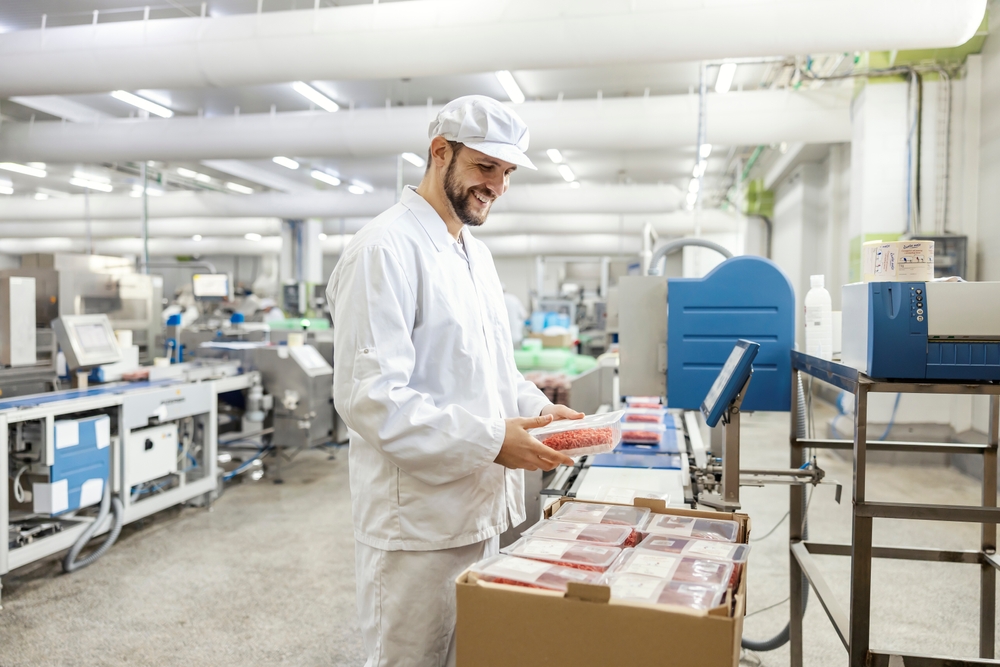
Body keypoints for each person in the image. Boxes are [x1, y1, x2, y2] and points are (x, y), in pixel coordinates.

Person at [327, 95, 583, 667]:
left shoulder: (474, 254)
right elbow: (373, 399)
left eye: (508, 172)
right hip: (416, 525)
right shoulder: (384, 250)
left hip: (480, 511)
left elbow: (494, 369)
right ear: (440, 152)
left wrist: (540, 412)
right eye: (485, 167)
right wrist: (494, 440)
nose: (497, 185)